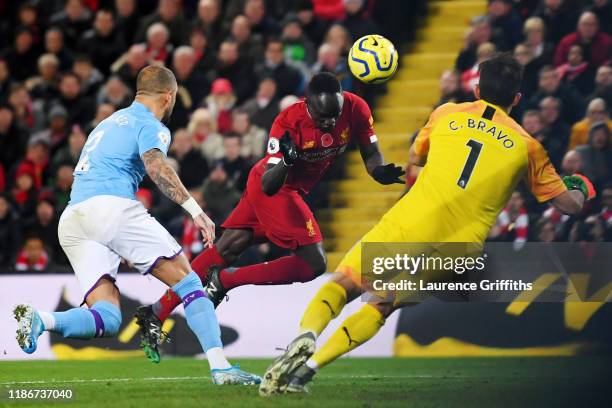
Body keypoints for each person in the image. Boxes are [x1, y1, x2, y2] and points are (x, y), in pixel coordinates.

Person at [259, 53, 595, 395]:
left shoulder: (446, 113)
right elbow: (569, 206)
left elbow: (416, 157)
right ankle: (306, 373)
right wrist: (582, 184)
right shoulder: (528, 146)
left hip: (411, 220)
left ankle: (306, 336)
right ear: (517, 98)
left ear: (476, 88)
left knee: (346, 283)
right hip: (458, 246)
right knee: (382, 303)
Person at [12, 65, 260, 386]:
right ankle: (221, 367)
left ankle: (41, 320)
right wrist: (195, 210)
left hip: (74, 219)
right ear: (168, 97)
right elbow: (156, 166)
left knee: (108, 318)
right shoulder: (149, 123)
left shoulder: (107, 123)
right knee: (189, 283)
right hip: (110, 209)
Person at [135, 72, 404, 361]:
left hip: (289, 190)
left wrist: (379, 171)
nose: (329, 123)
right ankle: (227, 279)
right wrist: (288, 160)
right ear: (308, 103)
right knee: (314, 263)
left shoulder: (356, 108)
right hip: (275, 187)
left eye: (333, 116)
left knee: (226, 248)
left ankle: (156, 311)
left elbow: (371, 153)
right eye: (321, 117)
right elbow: (270, 184)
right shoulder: (288, 122)